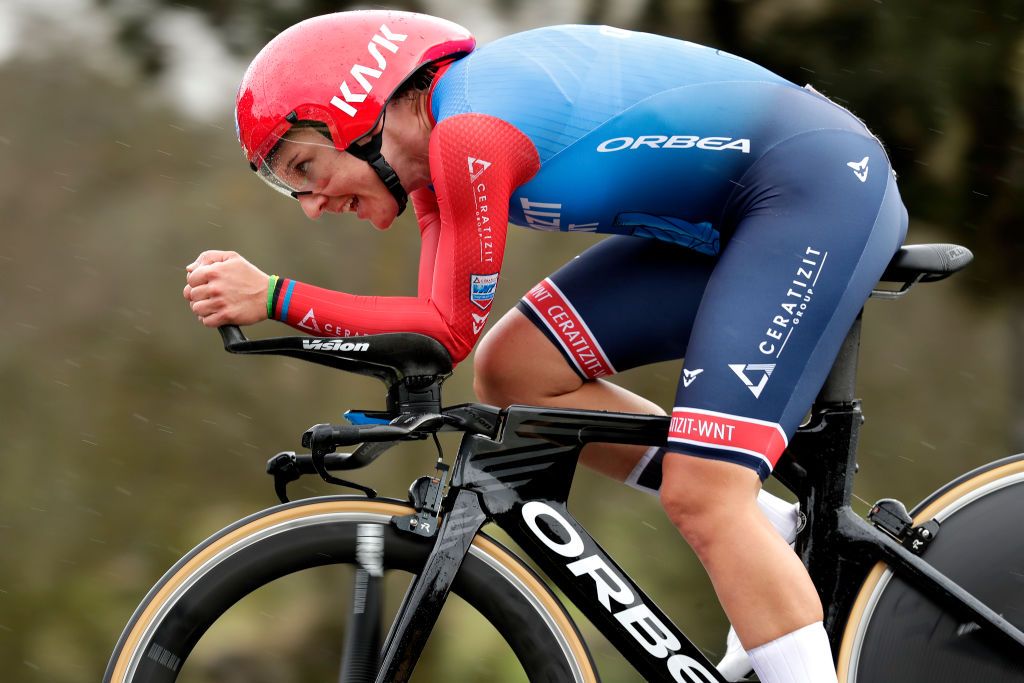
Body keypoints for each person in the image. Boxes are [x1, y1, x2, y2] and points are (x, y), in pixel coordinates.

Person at [184, 10, 907, 683]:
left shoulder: (469, 134)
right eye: (292, 191)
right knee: (514, 369)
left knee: (704, 493)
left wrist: (277, 298)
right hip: (732, 219)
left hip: (814, 190)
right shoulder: (438, 162)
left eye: (306, 170)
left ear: (358, 113)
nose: (311, 206)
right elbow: (448, 340)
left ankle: (745, 530)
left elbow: (442, 329)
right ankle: (772, 531)